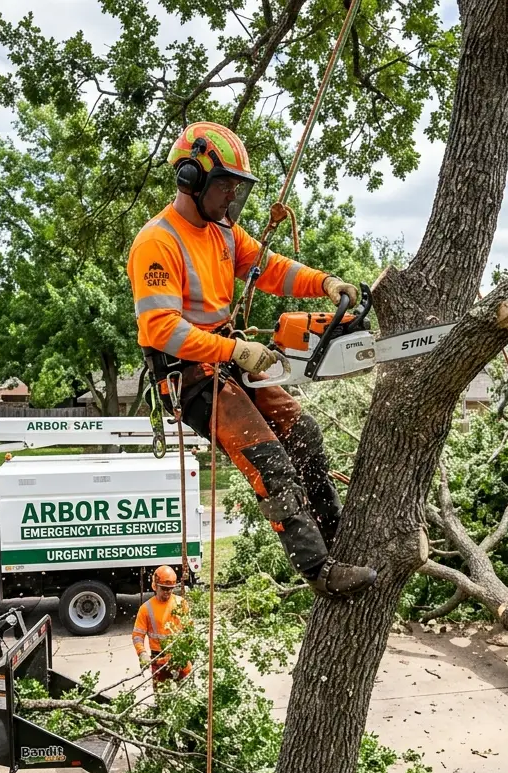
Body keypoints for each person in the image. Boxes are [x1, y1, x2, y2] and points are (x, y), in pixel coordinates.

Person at [127, 120, 376, 599]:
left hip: (225, 358)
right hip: (189, 376)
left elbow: (271, 268)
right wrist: (237, 350)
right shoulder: (157, 242)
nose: (229, 198)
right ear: (190, 179)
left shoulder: (224, 233)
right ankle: (320, 572)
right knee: (270, 461)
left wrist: (325, 283)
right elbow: (163, 328)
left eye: (234, 189)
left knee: (302, 432)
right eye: (223, 186)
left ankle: (337, 531)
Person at [132, 565, 193, 684]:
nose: (168, 592)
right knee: (162, 697)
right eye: (164, 588)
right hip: (158, 658)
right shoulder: (146, 608)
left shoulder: (181, 603)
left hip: (179, 656)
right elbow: (137, 636)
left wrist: (189, 653)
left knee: (183, 697)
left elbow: (189, 631)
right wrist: (142, 653)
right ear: (155, 586)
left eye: (170, 588)